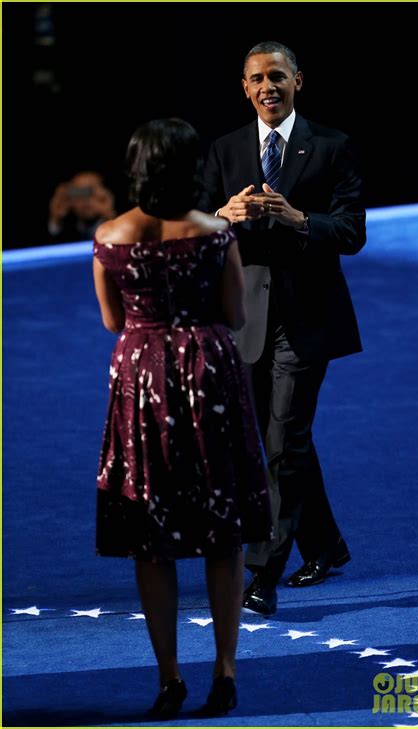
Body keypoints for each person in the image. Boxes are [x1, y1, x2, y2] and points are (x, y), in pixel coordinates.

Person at [93, 119, 272, 719]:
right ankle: (225, 671)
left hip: (142, 381)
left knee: (151, 530)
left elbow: (113, 322)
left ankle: (169, 678)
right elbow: (235, 313)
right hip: (208, 377)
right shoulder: (216, 233)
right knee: (222, 527)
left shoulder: (110, 236)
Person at [203, 41, 366, 616]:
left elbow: (351, 231)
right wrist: (223, 215)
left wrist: (300, 220)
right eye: (256, 78)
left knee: (283, 439)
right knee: (273, 438)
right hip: (244, 318)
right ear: (244, 88)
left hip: (307, 318)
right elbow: (195, 225)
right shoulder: (224, 150)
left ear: (298, 80)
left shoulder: (332, 146)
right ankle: (326, 544)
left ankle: (260, 573)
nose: (267, 86)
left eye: (277, 75)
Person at [48, 170, 115, 242]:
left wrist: (109, 215)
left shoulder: (122, 223)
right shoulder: (67, 228)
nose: (86, 201)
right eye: (80, 192)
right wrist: (55, 218)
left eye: (91, 192)